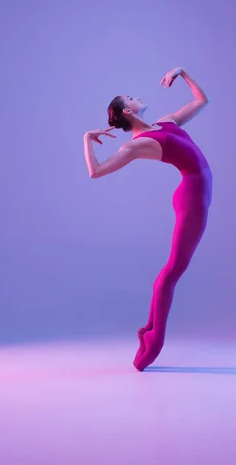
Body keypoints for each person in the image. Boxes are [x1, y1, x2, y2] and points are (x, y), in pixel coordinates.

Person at [83, 68, 212, 371]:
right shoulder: (136, 144)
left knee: (173, 269)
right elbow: (96, 171)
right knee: (173, 270)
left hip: (197, 193)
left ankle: (150, 333)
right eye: (131, 97)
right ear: (127, 110)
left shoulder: (166, 122)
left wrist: (183, 73)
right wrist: (87, 138)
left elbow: (201, 100)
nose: (137, 96)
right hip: (191, 197)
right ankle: (152, 344)